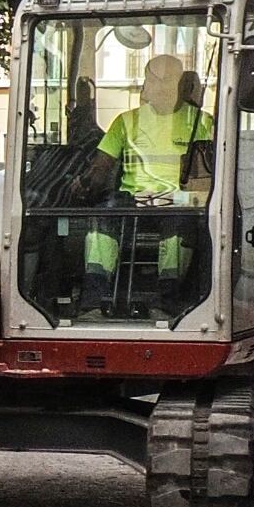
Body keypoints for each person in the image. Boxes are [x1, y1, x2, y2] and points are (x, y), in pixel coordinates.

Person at [69, 53, 215, 313]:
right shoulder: (127, 121)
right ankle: (94, 299)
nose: (151, 87)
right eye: (151, 79)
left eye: (160, 80)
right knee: (102, 218)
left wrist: (188, 196)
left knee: (181, 224)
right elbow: (101, 166)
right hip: (132, 200)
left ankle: (168, 300)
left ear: (176, 84)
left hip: (179, 199)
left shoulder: (202, 122)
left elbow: (206, 177)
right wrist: (85, 183)